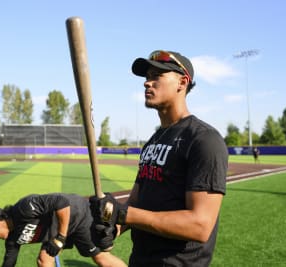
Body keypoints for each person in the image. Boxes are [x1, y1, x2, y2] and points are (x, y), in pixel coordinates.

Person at [90, 50, 229, 266]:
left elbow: (200, 226)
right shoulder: (154, 140)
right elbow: (136, 200)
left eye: (157, 75)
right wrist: (113, 227)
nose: (147, 83)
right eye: (147, 77)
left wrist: (123, 214)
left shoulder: (204, 139)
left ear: (182, 83)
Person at [0, 193, 126, 267]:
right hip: (57, 230)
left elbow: (61, 202)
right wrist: (59, 237)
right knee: (44, 260)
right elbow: (9, 263)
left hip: (76, 215)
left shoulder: (23, 208)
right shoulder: (12, 239)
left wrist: (61, 238)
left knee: (100, 258)